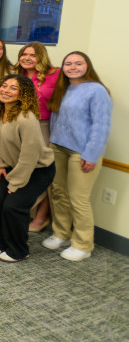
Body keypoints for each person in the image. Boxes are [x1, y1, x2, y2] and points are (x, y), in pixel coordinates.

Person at [43, 52, 112, 261]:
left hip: (82, 152)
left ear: (87, 66)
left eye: (78, 63)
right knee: (58, 193)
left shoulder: (97, 90)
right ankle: (61, 234)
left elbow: (101, 125)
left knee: (78, 199)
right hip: (58, 147)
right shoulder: (63, 88)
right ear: (63, 67)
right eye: (68, 63)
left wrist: (91, 155)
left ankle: (83, 244)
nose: (73, 67)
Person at [0, 75, 56, 262]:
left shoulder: (26, 117)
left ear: (23, 94)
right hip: (11, 166)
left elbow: (30, 155)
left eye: (13, 88)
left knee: (14, 206)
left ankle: (19, 250)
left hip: (38, 169)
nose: (6, 90)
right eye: (4, 86)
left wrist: (16, 182)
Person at [14, 41, 60, 232]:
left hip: (43, 127)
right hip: (19, 126)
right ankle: (25, 212)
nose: (27, 58)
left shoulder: (55, 74)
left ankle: (41, 217)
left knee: (43, 172)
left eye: (32, 55)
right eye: (24, 54)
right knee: (23, 169)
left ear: (41, 57)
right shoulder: (17, 75)